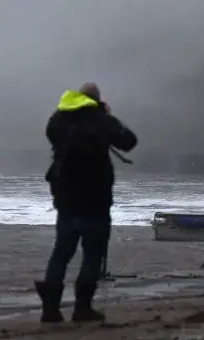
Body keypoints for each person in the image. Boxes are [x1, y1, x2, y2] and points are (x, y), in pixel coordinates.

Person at [35, 82, 137, 323]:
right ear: (96, 100)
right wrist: (107, 115)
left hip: (66, 199)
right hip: (96, 200)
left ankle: (50, 308)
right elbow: (129, 141)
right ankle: (82, 308)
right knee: (92, 255)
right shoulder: (101, 119)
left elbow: (51, 133)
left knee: (61, 253)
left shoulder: (59, 119)